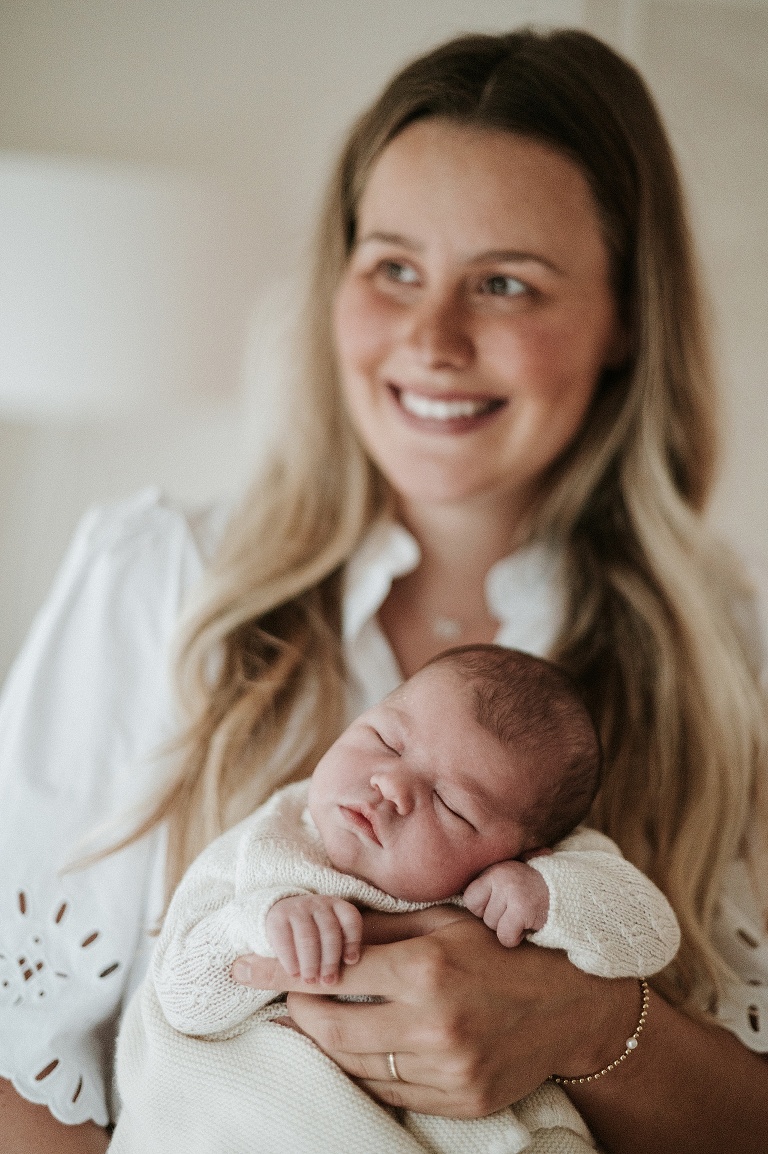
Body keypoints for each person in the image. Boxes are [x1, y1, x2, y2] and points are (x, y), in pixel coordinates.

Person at [0, 26, 767, 1154]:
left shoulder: (723, 646)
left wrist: (598, 1024)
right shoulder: (156, 575)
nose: (432, 337)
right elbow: (25, 1075)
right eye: (394, 267)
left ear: (625, 325)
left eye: (505, 282)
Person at [109, 644, 680, 1154]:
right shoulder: (268, 845)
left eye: (453, 806)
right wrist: (262, 923)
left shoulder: (543, 869)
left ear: (530, 849)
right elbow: (179, 995)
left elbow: (653, 934)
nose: (393, 785)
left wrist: (551, 895)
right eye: (384, 739)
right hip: (248, 1118)